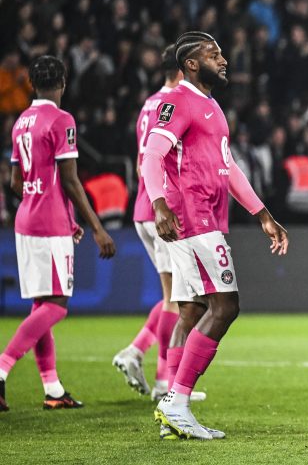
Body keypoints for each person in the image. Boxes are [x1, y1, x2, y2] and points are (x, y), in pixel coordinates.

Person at [142, 31, 289, 440]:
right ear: (191, 63)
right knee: (225, 308)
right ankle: (178, 401)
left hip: (204, 216)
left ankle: (173, 407)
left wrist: (262, 214)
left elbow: (229, 170)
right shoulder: (178, 101)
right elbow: (151, 156)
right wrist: (159, 203)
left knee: (190, 311)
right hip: (194, 217)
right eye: (214, 54)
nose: (223, 59)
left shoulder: (211, 106)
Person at [0, 55, 116, 412]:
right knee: (57, 305)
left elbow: (15, 181)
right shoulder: (62, 120)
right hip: (48, 225)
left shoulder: (21, 122)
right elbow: (69, 179)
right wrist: (97, 228)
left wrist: (50, 205)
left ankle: (52, 389)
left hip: (26, 220)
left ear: (32, 85)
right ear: (63, 83)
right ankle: (2, 367)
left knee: (41, 304)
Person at [113, 44, 186, 400]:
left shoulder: (148, 103)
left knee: (171, 295)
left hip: (143, 204)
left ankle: (137, 351)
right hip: (162, 207)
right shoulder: (176, 103)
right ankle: (164, 382)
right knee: (177, 298)